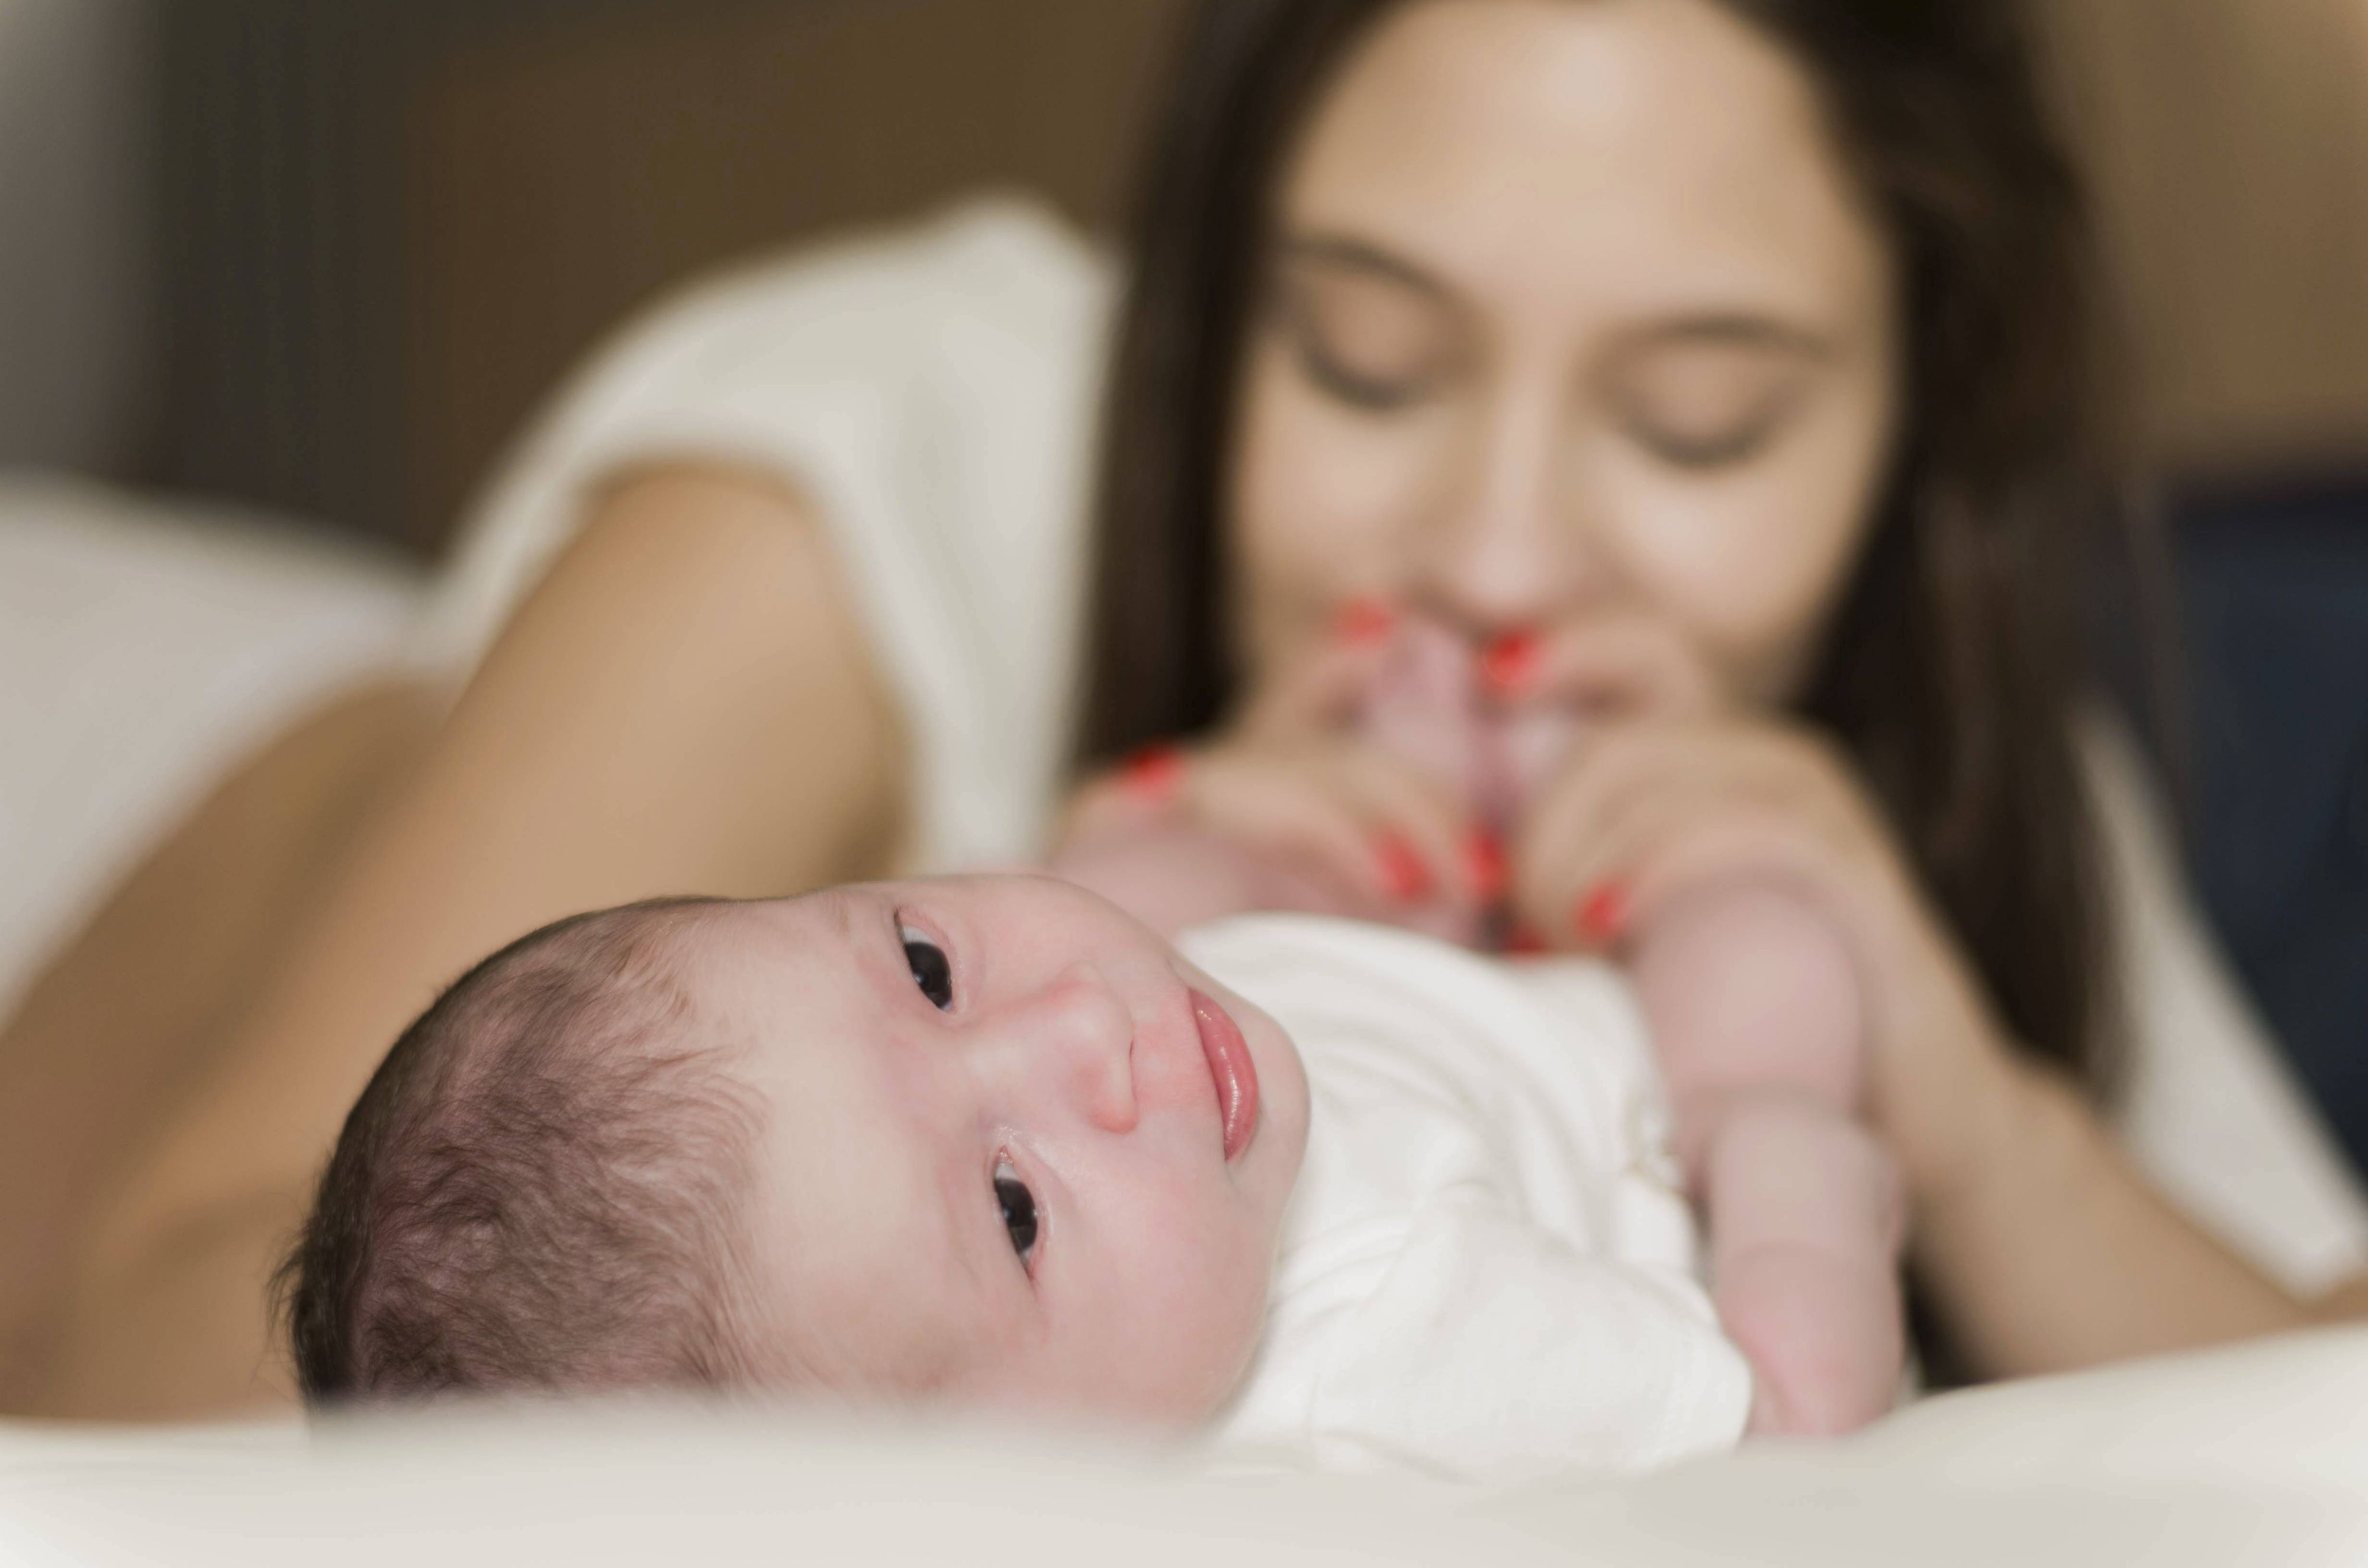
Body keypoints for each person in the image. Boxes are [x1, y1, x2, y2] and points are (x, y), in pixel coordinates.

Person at [12, 0, 2367, 1420]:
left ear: (1903, 463)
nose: (1501, 555)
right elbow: (143, 1351)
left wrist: (1952, 1104)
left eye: (1699, 426)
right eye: (1359, 361)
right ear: (1200, 305)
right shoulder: (865, 494)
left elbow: (2311, 1377)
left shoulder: (1899, 738)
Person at [281, 867, 1896, 1473]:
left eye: (923, 963)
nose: (1078, 1031)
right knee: (1765, 936)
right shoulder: (1391, 1346)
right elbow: (1774, 1437)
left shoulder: (1169, 1140)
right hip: (1644, 1094)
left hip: (1419, 1003)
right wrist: (1783, 1163)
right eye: (1012, 1208)